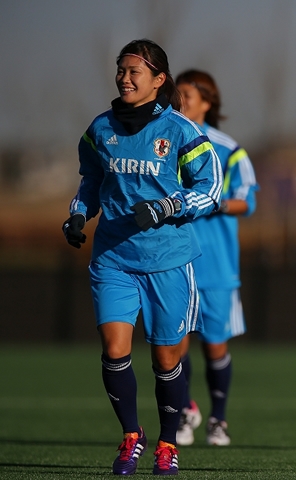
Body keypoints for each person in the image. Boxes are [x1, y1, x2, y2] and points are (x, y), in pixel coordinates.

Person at [62, 39, 223, 475]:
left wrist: (165, 206)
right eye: (121, 69)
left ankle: (168, 443)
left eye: (136, 71)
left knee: (166, 360)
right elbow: (90, 181)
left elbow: (210, 188)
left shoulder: (181, 131)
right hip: (113, 258)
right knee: (115, 351)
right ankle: (132, 435)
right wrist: (78, 215)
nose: (125, 77)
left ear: (158, 80)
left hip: (168, 261)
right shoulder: (100, 129)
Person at [173, 69, 259, 446]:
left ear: (208, 101)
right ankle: (185, 409)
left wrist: (215, 201)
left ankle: (218, 420)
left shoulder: (228, 148)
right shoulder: (164, 138)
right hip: (174, 261)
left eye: (189, 95)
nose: (182, 101)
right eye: (178, 94)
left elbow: (248, 201)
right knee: (173, 345)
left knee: (214, 346)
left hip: (217, 266)